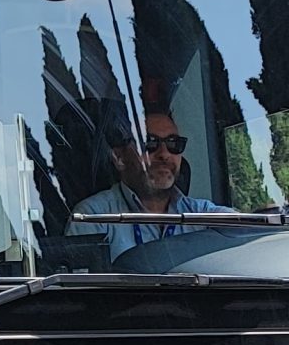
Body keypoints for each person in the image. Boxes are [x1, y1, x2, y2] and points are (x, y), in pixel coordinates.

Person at [74, 106, 223, 257]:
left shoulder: (201, 214)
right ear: (119, 158)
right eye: (149, 143)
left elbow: (246, 235)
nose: (164, 154)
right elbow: (79, 280)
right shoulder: (92, 216)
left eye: (173, 143)